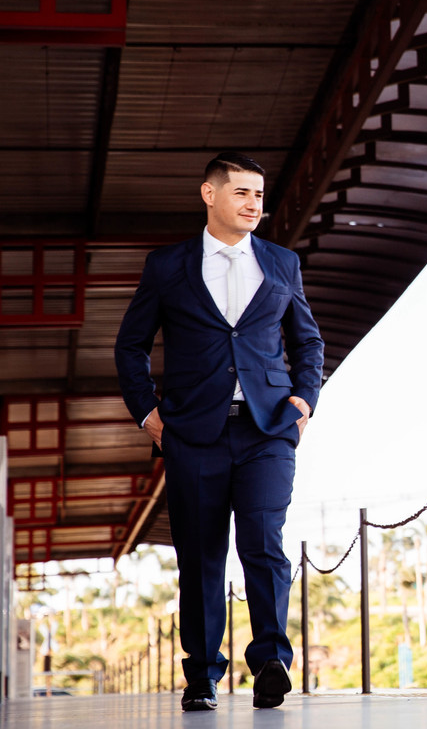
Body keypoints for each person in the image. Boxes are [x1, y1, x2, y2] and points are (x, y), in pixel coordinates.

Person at [115, 152, 324, 711]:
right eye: (242, 193)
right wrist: (147, 414)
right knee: (202, 555)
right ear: (209, 194)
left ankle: (271, 661)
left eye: (259, 195)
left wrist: (304, 399)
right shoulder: (167, 266)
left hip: (268, 430)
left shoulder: (282, 263)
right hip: (192, 433)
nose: (254, 204)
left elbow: (308, 340)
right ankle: (202, 675)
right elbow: (130, 346)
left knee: (263, 544)